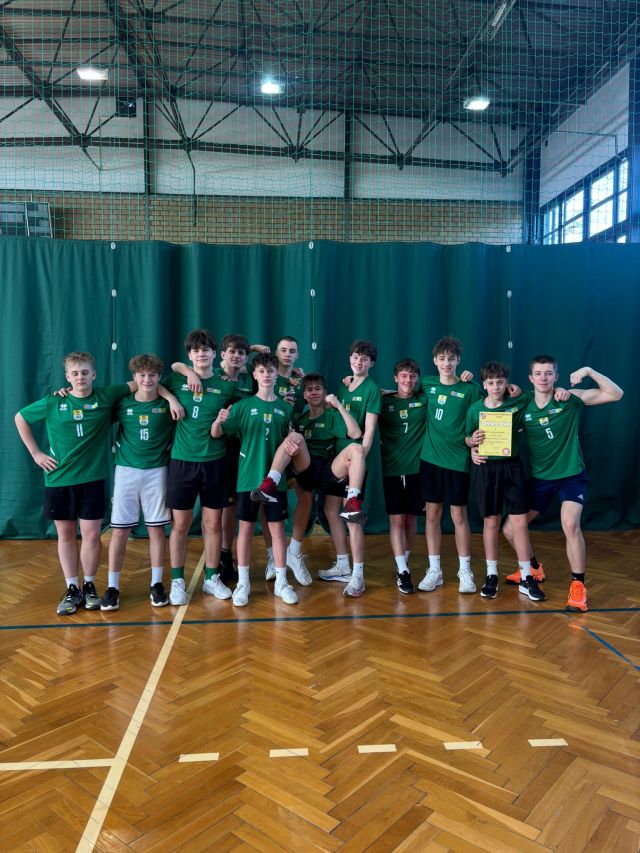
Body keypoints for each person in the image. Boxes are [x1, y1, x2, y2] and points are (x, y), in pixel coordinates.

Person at [14, 351, 179, 615]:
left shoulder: (106, 397)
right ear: (67, 377)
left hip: (92, 479)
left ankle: (89, 585)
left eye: (84, 372)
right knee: (66, 535)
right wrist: (36, 453)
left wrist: (170, 397)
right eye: (75, 373)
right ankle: (72, 587)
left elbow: (145, 383)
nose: (80, 377)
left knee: (92, 535)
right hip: (59, 479)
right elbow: (20, 417)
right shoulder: (54, 401)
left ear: (94, 374)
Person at [502, 357, 623, 612]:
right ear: (530, 378)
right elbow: (491, 406)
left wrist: (589, 370)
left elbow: (616, 394)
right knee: (510, 530)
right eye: (538, 373)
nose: (543, 378)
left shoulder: (568, 398)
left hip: (571, 475)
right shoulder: (522, 403)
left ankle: (578, 585)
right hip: (540, 479)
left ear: (556, 377)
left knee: (570, 523)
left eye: (548, 373)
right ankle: (533, 568)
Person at [250, 372, 365, 586]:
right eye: (309, 389)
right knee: (294, 437)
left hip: (328, 470)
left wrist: (339, 406)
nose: (313, 392)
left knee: (356, 449)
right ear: (304, 395)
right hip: (306, 468)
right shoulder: (299, 419)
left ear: (325, 392)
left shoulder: (332, 415)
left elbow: (356, 433)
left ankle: (352, 501)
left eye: (318, 389)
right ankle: (270, 482)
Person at [211, 352, 298, 607]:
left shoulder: (285, 409)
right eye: (261, 371)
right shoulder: (242, 407)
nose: (266, 375)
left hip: (275, 481)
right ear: (255, 375)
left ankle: (281, 581)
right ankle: (243, 583)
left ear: (276, 375)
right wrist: (218, 421)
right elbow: (217, 434)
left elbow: (289, 444)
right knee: (246, 530)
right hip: (248, 478)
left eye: (271, 371)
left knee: (278, 531)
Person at [164, 329, 243, 606]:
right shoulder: (177, 380)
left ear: (214, 354)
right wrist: (173, 397)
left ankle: (211, 578)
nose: (201, 354)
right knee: (181, 524)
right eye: (196, 350)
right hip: (182, 461)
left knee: (212, 524)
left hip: (214, 462)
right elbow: (157, 385)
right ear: (190, 355)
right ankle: (177, 581)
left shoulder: (226, 386)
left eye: (206, 350)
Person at [465, 361, 555, 603]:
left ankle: (527, 576)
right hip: (486, 468)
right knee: (491, 522)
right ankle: (491, 575)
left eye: (500, 382)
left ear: (507, 384)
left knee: (519, 524)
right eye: (491, 383)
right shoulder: (475, 409)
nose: (496, 387)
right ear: (484, 385)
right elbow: (467, 437)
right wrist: (472, 443)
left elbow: (537, 393)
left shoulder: (518, 400)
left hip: (512, 467)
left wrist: (517, 388)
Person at [101, 354, 175, 611]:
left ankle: (156, 584)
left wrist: (171, 398)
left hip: (157, 471)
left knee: (156, 529)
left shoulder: (167, 405)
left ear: (159, 377)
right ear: (134, 377)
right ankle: (112, 587)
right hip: (126, 472)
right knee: (120, 530)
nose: (147, 379)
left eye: (152, 375)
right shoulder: (122, 404)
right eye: (142, 375)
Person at [418, 336, 483, 594]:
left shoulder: (470, 388)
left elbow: (487, 410)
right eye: (442, 358)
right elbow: (402, 394)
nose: (446, 363)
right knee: (432, 515)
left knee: (458, 516)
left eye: (451, 359)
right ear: (435, 361)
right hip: (430, 460)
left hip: (458, 461)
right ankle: (434, 570)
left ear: (459, 361)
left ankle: (465, 571)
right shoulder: (427, 384)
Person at [317, 339, 382, 597]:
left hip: (355, 461)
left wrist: (359, 458)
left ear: (371, 363)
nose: (358, 362)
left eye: (364, 359)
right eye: (355, 357)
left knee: (352, 518)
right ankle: (343, 565)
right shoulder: (345, 386)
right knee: (330, 509)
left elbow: (369, 431)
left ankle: (358, 576)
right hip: (338, 458)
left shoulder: (372, 389)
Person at [378, 359, 428, 595]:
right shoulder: (383, 401)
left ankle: (403, 561)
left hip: (418, 469)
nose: (408, 380)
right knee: (396, 519)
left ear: (417, 378)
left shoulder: (424, 399)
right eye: (404, 376)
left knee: (411, 518)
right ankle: (403, 571)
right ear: (396, 378)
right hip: (392, 469)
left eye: (412, 376)